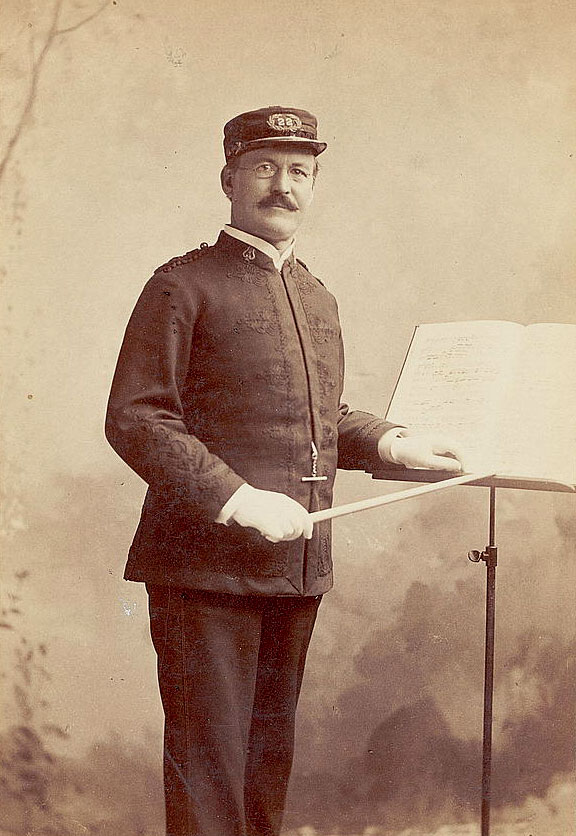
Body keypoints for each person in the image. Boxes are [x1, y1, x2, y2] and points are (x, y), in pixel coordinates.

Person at [105, 106, 463, 836]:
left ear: (314, 185)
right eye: (264, 167)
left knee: (266, 771)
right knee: (210, 777)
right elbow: (137, 419)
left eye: (300, 171)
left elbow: (321, 417)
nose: (283, 186)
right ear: (229, 179)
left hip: (295, 569)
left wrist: (392, 443)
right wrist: (236, 499)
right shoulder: (181, 285)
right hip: (206, 571)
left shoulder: (317, 295)